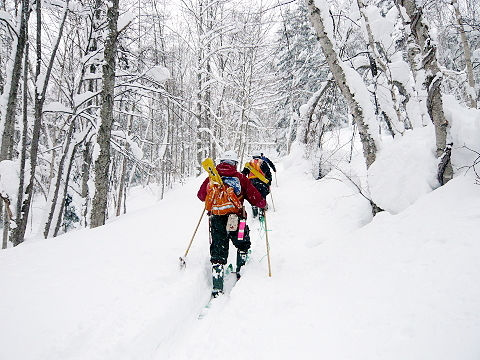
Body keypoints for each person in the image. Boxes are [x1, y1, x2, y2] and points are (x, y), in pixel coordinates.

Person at [197, 150, 266, 297]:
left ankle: (217, 285)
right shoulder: (240, 177)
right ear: (234, 163)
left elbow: (201, 196)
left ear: (221, 162)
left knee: (218, 249)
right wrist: (262, 203)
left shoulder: (212, 177)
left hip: (216, 219)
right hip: (237, 219)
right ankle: (241, 271)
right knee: (242, 243)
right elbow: (254, 196)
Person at [242, 150, 272, 218]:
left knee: (253, 196)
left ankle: (254, 210)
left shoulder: (249, 164)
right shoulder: (263, 163)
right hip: (261, 182)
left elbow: (243, 174)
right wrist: (269, 182)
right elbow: (268, 173)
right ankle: (262, 210)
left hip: (251, 183)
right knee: (262, 195)